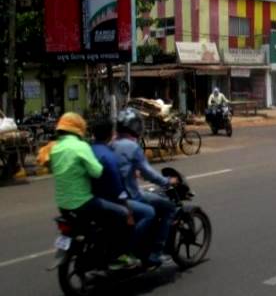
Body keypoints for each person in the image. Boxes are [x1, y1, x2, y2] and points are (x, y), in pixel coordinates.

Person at [48, 112, 138, 270]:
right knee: (123, 213)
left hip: (63, 205)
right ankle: (118, 256)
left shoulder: (55, 148)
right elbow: (96, 172)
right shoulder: (81, 147)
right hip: (84, 203)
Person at [112, 108, 178, 267]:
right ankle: (155, 252)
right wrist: (167, 181)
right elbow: (149, 173)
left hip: (113, 194)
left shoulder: (112, 143)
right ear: (135, 127)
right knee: (168, 207)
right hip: (128, 196)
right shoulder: (133, 147)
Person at [91, 117, 155, 261]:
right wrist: (127, 209)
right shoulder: (109, 155)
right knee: (149, 212)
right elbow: (118, 186)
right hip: (110, 199)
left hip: (93, 197)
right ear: (110, 133)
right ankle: (129, 250)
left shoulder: (89, 149)